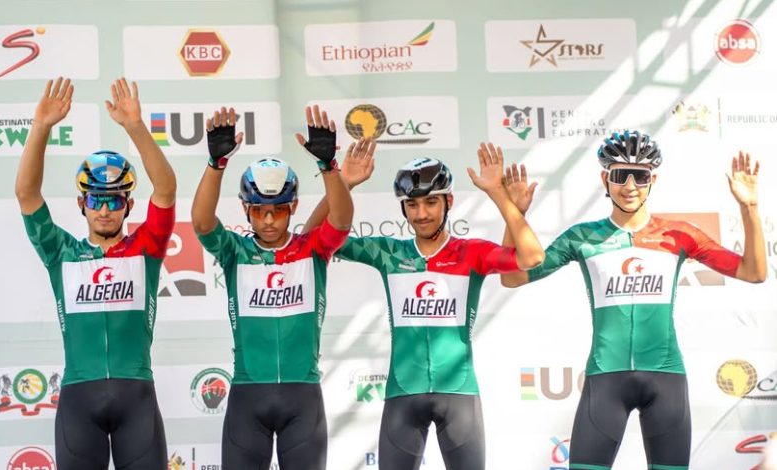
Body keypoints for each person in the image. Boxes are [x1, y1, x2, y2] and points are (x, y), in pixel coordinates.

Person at [500, 130, 767, 470]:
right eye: (620, 175)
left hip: (665, 380)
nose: (629, 185)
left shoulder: (679, 235)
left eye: (639, 176)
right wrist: (514, 214)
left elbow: (753, 272)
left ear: (652, 180)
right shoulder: (583, 237)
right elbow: (511, 277)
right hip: (606, 380)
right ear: (605, 179)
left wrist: (749, 207)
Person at [304, 142, 545, 470]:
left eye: (431, 202)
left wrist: (499, 195)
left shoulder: (470, 253)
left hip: (459, 395)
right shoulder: (389, 253)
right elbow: (312, 238)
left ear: (449, 202)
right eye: (412, 204)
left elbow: (532, 256)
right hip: (403, 395)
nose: (421, 214)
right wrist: (343, 182)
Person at [15, 77, 176, 469]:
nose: (104, 211)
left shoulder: (146, 248)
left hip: (136, 398)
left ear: (128, 205)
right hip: (78, 400)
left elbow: (166, 190)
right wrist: (41, 127)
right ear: (82, 203)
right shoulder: (61, 252)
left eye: (114, 201)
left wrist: (135, 127)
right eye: (96, 200)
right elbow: (26, 195)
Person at [191, 105, 353, 470]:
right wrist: (216, 165)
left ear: (293, 206)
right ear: (245, 209)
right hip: (248, 397)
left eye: (278, 210)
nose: (268, 219)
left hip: (303, 397)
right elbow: (201, 222)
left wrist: (329, 167)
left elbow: (341, 220)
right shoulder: (235, 251)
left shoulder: (312, 249)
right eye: (258, 210)